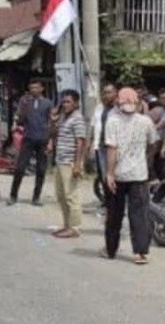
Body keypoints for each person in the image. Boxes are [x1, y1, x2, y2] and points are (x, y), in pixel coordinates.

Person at [102, 87, 158, 263]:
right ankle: (140, 253)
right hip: (139, 175)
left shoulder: (112, 121)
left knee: (114, 215)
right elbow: (153, 144)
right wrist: (145, 159)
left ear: (118, 102)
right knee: (140, 215)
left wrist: (109, 174)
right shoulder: (146, 121)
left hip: (118, 175)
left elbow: (112, 149)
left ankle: (111, 250)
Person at [7, 79, 53, 206]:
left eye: (36, 88)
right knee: (20, 168)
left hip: (43, 139)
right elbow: (19, 118)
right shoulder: (25, 102)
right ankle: (13, 195)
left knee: (41, 170)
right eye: (31, 88)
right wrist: (16, 122)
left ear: (42, 89)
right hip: (28, 138)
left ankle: (36, 197)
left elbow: (51, 122)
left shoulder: (48, 103)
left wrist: (51, 140)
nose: (34, 90)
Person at [51, 89, 87, 239]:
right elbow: (53, 134)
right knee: (61, 196)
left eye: (68, 102)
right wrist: (53, 120)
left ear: (76, 103)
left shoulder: (77, 119)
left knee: (72, 196)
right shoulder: (64, 118)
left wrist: (77, 164)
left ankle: (75, 227)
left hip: (70, 162)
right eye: (63, 102)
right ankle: (67, 225)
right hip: (60, 161)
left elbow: (81, 142)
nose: (65, 105)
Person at [90, 82, 118, 208]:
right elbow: (93, 126)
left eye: (109, 92)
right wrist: (90, 144)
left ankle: (115, 203)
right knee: (103, 176)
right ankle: (108, 202)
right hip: (100, 146)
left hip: (114, 147)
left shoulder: (119, 109)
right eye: (105, 92)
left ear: (115, 93)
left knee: (114, 176)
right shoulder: (99, 108)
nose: (107, 95)